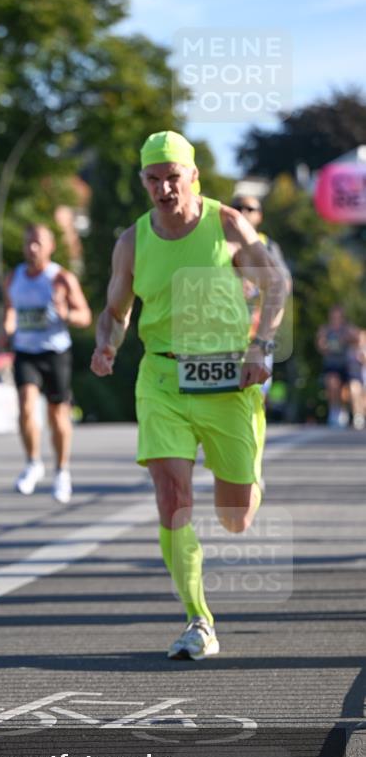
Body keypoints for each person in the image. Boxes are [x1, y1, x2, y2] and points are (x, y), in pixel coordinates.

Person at [91, 130, 287, 660]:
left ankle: (249, 476)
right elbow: (115, 311)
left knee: (235, 517)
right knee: (172, 497)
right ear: (143, 182)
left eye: (173, 177)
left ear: (193, 176)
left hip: (228, 382)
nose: (164, 188)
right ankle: (198, 619)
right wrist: (107, 344)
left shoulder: (228, 224)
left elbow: (276, 285)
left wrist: (261, 346)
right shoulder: (132, 241)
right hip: (162, 380)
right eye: (153, 179)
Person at [3, 224, 92, 504]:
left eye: (38, 243)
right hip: (25, 351)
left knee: (57, 414)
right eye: (28, 242)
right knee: (26, 405)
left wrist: (66, 314)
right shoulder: (13, 277)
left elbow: (85, 316)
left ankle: (62, 472)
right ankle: (33, 463)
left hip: (55, 352)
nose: (32, 248)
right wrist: (7, 328)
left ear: (50, 247)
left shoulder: (61, 278)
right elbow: (10, 311)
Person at [232, 195, 292, 397]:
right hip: (224, 331)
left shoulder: (268, 246)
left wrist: (257, 285)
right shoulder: (221, 242)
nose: (242, 212)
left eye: (249, 208)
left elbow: (284, 284)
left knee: (257, 391)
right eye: (237, 207)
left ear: (260, 216)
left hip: (257, 331)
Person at [316, 306, 363, 428]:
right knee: (332, 383)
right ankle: (335, 412)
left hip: (349, 366)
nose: (335, 319)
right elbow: (320, 346)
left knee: (354, 387)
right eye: (333, 317)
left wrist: (349, 338)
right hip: (333, 365)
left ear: (342, 318)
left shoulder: (348, 329)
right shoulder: (325, 330)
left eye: (338, 317)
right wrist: (325, 345)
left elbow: (359, 338)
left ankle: (358, 415)